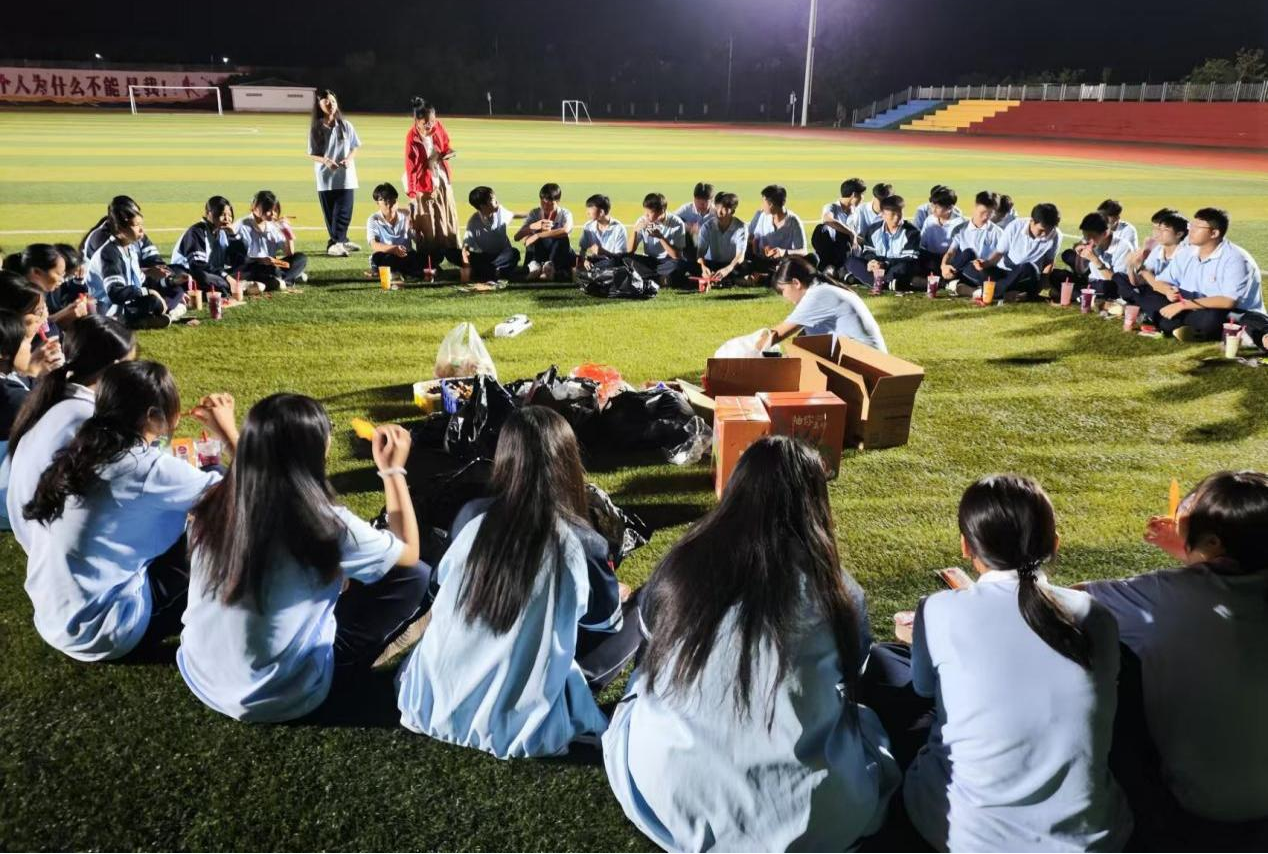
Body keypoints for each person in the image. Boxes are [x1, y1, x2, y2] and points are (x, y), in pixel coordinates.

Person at [603, 436, 900, 851]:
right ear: (816, 504)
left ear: (737, 490)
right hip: (810, 815)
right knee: (864, 726)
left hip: (672, 789)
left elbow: (651, 647)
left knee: (642, 687)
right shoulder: (839, 593)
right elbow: (855, 673)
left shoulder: (681, 565)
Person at [895, 475, 1131, 852]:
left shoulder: (938, 610)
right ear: (1054, 543)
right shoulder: (1095, 615)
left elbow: (923, 688)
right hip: (1086, 838)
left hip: (963, 834)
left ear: (965, 546)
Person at [396, 407, 640, 758]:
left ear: (505, 459)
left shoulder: (470, 515)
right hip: (521, 718)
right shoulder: (583, 541)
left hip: (431, 700)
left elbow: (437, 591)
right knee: (645, 606)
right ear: (568, 462)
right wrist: (613, 595)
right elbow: (603, 625)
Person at [179, 396, 430, 723]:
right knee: (415, 576)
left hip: (200, 674)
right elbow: (408, 553)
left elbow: (259, 471)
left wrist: (229, 434)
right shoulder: (326, 522)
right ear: (318, 449)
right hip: (283, 694)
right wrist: (392, 471)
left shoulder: (213, 500)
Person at [1082, 472, 1268, 850]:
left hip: (1204, 810)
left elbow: (1063, 604)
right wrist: (1193, 553)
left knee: (1118, 661)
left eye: (1188, 509)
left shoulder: (1160, 595)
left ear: (1213, 542)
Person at [19, 361, 235, 661]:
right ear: (153, 416)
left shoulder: (81, 449)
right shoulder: (143, 468)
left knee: (205, 499)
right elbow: (252, 493)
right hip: (106, 629)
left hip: (55, 618)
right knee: (223, 526)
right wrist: (227, 430)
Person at [6, 315, 136, 543]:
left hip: (32, 529)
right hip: (50, 540)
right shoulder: (86, 417)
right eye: (132, 365)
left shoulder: (52, 397)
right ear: (116, 368)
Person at [1134, 207, 1264, 341]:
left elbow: (1228, 301)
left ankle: (1171, 324)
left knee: (1212, 319)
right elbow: (1162, 281)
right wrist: (1168, 291)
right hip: (1191, 306)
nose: (1190, 230)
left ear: (1214, 233)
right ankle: (1179, 326)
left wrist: (1182, 305)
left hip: (1227, 311)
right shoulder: (1187, 252)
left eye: (1197, 227)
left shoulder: (1235, 258)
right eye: (1191, 226)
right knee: (1148, 292)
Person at [85, 197, 187, 328]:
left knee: (174, 290)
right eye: (136, 225)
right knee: (152, 300)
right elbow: (115, 293)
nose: (142, 230)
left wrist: (171, 281)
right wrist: (148, 292)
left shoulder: (130, 249)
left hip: (125, 303)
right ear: (120, 228)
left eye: (141, 225)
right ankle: (160, 317)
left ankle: (150, 318)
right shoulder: (109, 252)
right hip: (105, 308)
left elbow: (141, 281)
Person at [761, 256, 886, 352]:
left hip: (869, 364)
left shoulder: (817, 295)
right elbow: (804, 338)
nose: (784, 297)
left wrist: (749, 348)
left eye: (783, 291)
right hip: (870, 360)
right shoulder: (823, 289)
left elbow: (776, 335)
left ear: (796, 283)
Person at [404, 97, 459, 271]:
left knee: (447, 219)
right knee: (428, 225)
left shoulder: (438, 126)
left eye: (432, 121)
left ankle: (453, 255)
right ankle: (429, 262)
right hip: (423, 185)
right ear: (417, 120)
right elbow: (410, 167)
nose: (430, 125)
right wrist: (412, 193)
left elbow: (447, 146)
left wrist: (446, 153)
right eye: (426, 122)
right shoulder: (412, 137)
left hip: (442, 180)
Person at [308, 89, 361, 258]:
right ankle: (338, 242)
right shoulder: (316, 128)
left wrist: (348, 159)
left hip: (345, 177)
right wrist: (326, 161)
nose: (330, 104)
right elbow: (312, 154)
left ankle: (338, 242)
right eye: (326, 101)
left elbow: (355, 146)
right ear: (319, 105)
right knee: (331, 215)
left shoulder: (345, 125)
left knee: (344, 212)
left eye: (333, 101)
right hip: (325, 178)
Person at [972, 202, 1063, 301]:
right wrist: (985, 264)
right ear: (1032, 221)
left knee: (1029, 266)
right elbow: (999, 253)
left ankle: (993, 292)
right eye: (1041, 230)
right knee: (981, 270)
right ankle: (1011, 293)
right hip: (1005, 271)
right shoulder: (1015, 226)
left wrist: (1042, 283)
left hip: (1027, 275)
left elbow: (1049, 262)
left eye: (1049, 230)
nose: (1044, 234)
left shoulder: (1056, 236)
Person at [1048, 212, 1135, 303]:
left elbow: (1120, 283)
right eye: (1085, 236)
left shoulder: (1123, 247)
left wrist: (1094, 259)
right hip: (1090, 282)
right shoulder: (1091, 241)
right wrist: (1080, 256)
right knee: (1055, 274)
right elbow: (1080, 271)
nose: (1086, 240)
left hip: (1107, 285)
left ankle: (1073, 294)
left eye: (1090, 236)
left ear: (1105, 233)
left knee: (1107, 287)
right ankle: (1079, 295)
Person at [0, 310, 35, 530]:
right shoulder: (13, 398)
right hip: (7, 505)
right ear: (3, 353)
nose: (30, 348)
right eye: (25, 341)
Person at [3, 245, 90, 334]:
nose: (62, 280)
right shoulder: (22, 297)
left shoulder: (36, 293)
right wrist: (65, 316)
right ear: (36, 272)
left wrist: (67, 312)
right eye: (58, 274)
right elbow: (31, 333)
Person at [170, 196, 243, 299]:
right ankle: (229, 286)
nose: (227, 219)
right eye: (222, 214)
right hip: (186, 272)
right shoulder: (197, 231)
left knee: (251, 269)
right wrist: (226, 277)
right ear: (209, 213)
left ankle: (228, 285)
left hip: (214, 273)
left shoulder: (223, 232)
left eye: (230, 215)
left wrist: (234, 236)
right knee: (207, 278)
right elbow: (198, 266)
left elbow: (239, 261)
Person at [235, 191, 308, 292]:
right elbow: (238, 258)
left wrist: (287, 232)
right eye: (269, 210)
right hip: (252, 265)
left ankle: (280, 280)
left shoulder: (272, 225)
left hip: (273, 264)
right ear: (256, 208)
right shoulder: (242, 226)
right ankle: (287, 278)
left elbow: (289, 253)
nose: (273, 214)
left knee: (301, 258)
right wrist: (261, 260)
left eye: (275, 210)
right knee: (270, 269)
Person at [845, 195, 921, 291]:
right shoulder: (873, 230)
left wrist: (885, 264)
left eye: (900, 213)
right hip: (877, 267)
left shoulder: (912, 232)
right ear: (883, 214)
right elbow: (868, 252)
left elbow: (910, 259)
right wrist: (872, 262)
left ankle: (866, 280)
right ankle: (886, 283)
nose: (897, 217)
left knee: (904, 268)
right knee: (851, 261)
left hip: (895, 266)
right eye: (893, 214)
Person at [940, 191, 1004, 294]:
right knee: (969, 253)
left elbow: (1001, 259)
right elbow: (950, 252)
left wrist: (985, 264)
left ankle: (959, 286)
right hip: (965, 269)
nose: (985, 217)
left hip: (984, 271)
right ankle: (955, 282)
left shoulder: (998, 233)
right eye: (982, 213)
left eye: (990, 214)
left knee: (990, 274)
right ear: (974, 209)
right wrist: (943, 266)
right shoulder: (960, 229)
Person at [365, 182, 426, 283]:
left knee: (422, 257)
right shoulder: (374, 219)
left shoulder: (406, 215)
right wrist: (394, 249)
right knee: (382, 258)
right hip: (386, 254)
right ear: (377, 203)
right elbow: (374, 245)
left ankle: (402, 272)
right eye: (383, 199)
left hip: (406, 254)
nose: (388, 202)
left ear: (396, 200)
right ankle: (405, 272)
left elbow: (418, 240)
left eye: (391, 198)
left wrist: (417, 229)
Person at [514, 183, 576, 282]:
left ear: (558, 201)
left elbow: (565, 230)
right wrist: (534, 226)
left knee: (562, 237)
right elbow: (517, 237)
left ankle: (549, 267)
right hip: (539, 252)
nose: (546, 207)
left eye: (550, 204)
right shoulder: (535, 213)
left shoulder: (565, 214)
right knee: (537, 239)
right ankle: (539, 267)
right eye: (543, 203)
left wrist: (538, 235)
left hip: (559, 253)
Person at [745, 184, 807, 281]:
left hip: (782, 262)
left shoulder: (793, 221)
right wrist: (758, 249)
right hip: (761, 260)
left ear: (771, 204)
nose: (762, 205)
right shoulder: (761, 215)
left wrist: (783, 252)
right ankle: (770, 276)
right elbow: (753, 238)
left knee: (811, 259)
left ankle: (766, 276)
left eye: (764, 202)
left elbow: (803, 251)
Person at [461, 186, 523, 283]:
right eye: (492, 199)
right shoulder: (473, 221)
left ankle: (488, 270)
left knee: (514, 253)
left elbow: (513, 215)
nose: (496, 201)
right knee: (452, 253)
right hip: (485, 256)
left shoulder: (500, 211)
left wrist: (533, 214)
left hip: (502, 255)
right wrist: (466, 267)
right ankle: (494, 271)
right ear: (482, 206)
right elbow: (466, 248)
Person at [1123, 211, 1188, 303]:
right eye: (1158, 229)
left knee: (1151, 295)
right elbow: (1140, 281)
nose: (1158, 233)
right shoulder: (1158, 249)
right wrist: (1131, 266)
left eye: (1165, 230)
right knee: (1119, 277)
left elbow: (1161, 286)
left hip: (1174, 296)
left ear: (1179, 234)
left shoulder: (1184, 254)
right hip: (1158, 290)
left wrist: (1141, 267)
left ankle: (1138, 301)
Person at [812, 177, 867, 281]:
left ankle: (835, 270)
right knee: (821, 229)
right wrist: (850, 232)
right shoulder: (832, 207)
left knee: (845, 236)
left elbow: (856, 238)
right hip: (829, 248)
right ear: (854, 195)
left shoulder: (856, 213)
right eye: (862, 195)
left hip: (847, 251)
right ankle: (831, 269)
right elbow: (827, 220)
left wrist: (864, 241)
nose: (863, 198)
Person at [628, 192, 687, 286]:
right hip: (649, 260)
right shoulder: (642, 221)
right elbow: (630, 251)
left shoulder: (677, 223)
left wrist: (660, 237)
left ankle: (646, 277)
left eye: (649, 213)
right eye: (645, 212)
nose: (646, 215)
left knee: (680, 264)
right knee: (626, 259)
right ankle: (661, 279)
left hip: (667, 262)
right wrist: (634, 231)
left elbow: (677, 256)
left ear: (662, 211)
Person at [695, 192, 748, 287]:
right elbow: (700, 253)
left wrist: (728, 269)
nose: (719, 212)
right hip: (712, 263)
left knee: (745, 267)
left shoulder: (741, 227)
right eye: (717, 207)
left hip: (732, 265)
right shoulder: (707, 226)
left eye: (725, 209)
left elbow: (740, 256)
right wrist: (703, 267)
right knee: (689, 266)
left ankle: (725, 280)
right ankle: (720, 279)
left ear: (732, 212)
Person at [916, 186, 965, 276]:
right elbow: (921, 243)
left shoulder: (959, 223)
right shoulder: (930, 220)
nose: (933, 210)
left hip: (950, 259)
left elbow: (953, 251)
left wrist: (944, 264)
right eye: (932, 206)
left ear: (950, 207)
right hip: (931, 257)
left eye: (937, 207)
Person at [577, 194, 628, 271]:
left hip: (612, 264)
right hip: (595, 261)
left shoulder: (619, 229)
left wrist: (604, 252)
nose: (587, 212)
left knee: (612, 263)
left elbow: (620, 258)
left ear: (601, 212)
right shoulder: (588, 227)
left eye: (590, 209)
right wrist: (584, 261)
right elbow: (582, 250)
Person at [674, 181, 714, 258]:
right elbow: (669, 220)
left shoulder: (717, 213)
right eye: (698, 200)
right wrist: (687, 227)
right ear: (694, 199)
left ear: (712, 200)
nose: (701, 205)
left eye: (705, 201)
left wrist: (701, 230)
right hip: (689, 248)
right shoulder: (686, 209)